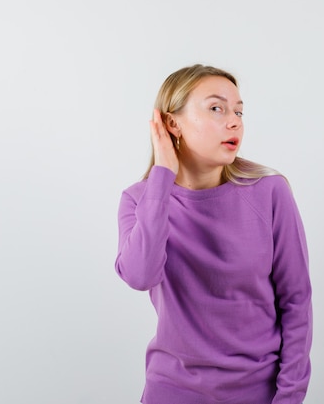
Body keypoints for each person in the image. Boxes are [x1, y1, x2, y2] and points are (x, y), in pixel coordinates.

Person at [114, 64, 312, 404]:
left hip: (257, 393)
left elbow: (296, 302)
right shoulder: (139, 199)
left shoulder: (269, 191)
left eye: (239, 111)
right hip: (171, 391)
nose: (234, 121)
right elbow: (139, 275)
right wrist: (163, 176)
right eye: (216, 108)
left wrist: (289, 397)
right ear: (172, 123)